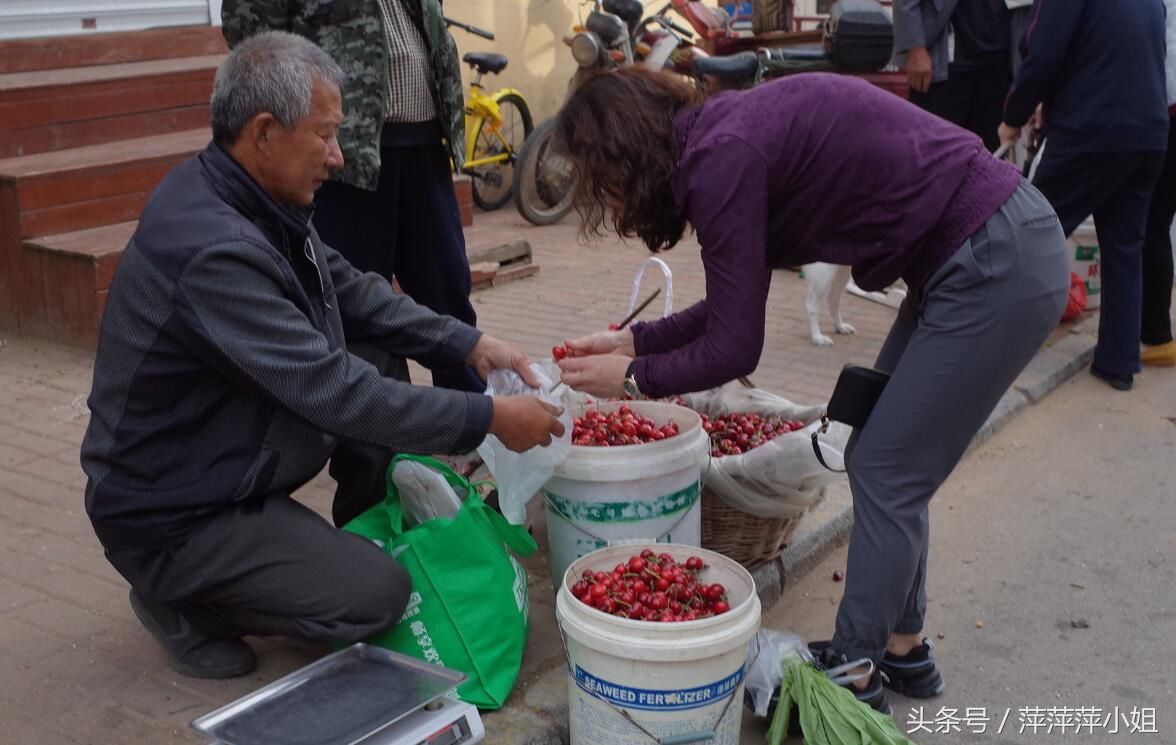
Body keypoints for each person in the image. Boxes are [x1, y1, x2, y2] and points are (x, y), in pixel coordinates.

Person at [552, 68, 1069, 713]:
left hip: (993, 258)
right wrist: (632, 345)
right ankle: (904, 646)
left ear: (621, 156)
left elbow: (737, 348)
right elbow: (729, 310)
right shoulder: (719, 142)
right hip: (971, 252)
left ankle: (853, 673)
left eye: (603, 183)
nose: (612, 202)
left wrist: (632, 381)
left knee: (886, 467)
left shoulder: (720, 160)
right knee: (884, 454)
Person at [79, 32, 563, 680]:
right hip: (171, 511)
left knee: (371, 347)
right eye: (325, 135)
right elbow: (338, 393)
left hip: (218, 452)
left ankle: (354, 533)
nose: (337, 156)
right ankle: (178, 597)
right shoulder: (212, 248)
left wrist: (469, 343)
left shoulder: (250, 194)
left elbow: (353, 292)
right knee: (378, 596)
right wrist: (490, 417)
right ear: (264, 133)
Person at [221, 0, 483, 513]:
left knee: (448, 288)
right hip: (343, 151)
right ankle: (381, 473)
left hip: (424, 138)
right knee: (360, 319)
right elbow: (249, 35)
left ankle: (475, 438)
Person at [999, 0, 1169, 390]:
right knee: (1125, 247)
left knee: (1027, 230)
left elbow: (1043, 53)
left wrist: (1013, 115)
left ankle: (993, 343)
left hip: (1093, 128)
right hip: (1148, 132)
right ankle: (1118, 362)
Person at [894, 0, 1012, 152]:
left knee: (991, 157)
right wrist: (915, 47)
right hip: (945, 68)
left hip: (996, 63)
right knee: (937, 155)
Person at [1140, 0, 1176, 367]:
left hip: (1166, 110)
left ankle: (1156, 333)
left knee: (1151, 220)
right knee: (1155, 220)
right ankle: (1153, 330)